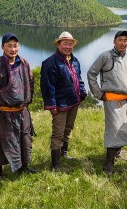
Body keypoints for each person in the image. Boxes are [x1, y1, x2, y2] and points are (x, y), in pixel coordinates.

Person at [0, 32, 38, 181]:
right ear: (2, 47)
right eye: (9, 46)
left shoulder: (24, 63)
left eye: (15, 46)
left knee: (24, 140)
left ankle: (23, 167)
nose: (13, 49)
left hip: (22, 112)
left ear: (19, 46)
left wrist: (27, 100)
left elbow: (31, 82)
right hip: (3, 113)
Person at [87, 30, 127, 175]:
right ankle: (109, 162)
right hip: (112, 101)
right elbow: (91, 73)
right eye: (120, 40)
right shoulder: (105, 56)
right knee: (114, 130)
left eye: (125, 40)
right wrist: (99, 94)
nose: (123, 43)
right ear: (114, 41)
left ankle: (117, 153)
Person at [40, 31, 87, 171]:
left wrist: (82, 92)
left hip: (74, 102)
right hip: (60, 105)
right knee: (58, 133)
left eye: (70, 44)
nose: (68, 46)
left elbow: (79, 79)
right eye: (65, 43)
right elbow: (47, 87)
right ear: (58, 44)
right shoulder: (50, 63)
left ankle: (63, 153)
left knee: (68, 128)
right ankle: (55, 164)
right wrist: (52, 105)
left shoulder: (74, 60)